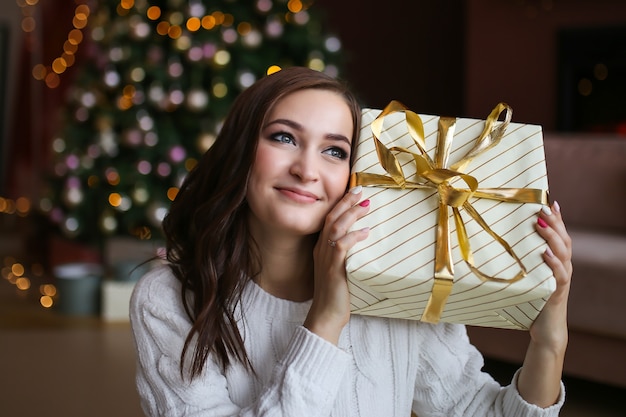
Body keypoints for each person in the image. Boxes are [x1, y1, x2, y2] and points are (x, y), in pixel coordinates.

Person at [130, 66, 572, 417]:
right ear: (242, 149)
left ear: (355, 177)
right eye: (284, 138)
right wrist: (325, 319)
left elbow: (479, 412)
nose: (307, 169)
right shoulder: (169, 298)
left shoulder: (397, 282)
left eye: (334, 151)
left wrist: (549, 341)